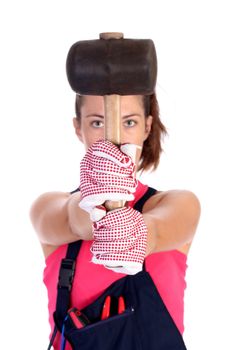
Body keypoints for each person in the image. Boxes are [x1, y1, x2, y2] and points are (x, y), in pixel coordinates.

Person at [30, 87, 201, 348]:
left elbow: (156, 230)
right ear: (79, 129)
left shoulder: (178, 205)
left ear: (147, 126)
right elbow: (73, 220)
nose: (115, 137)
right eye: (97, 123)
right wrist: (94, 202)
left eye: (129, 122)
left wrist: (136, 232)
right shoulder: (49, 207)